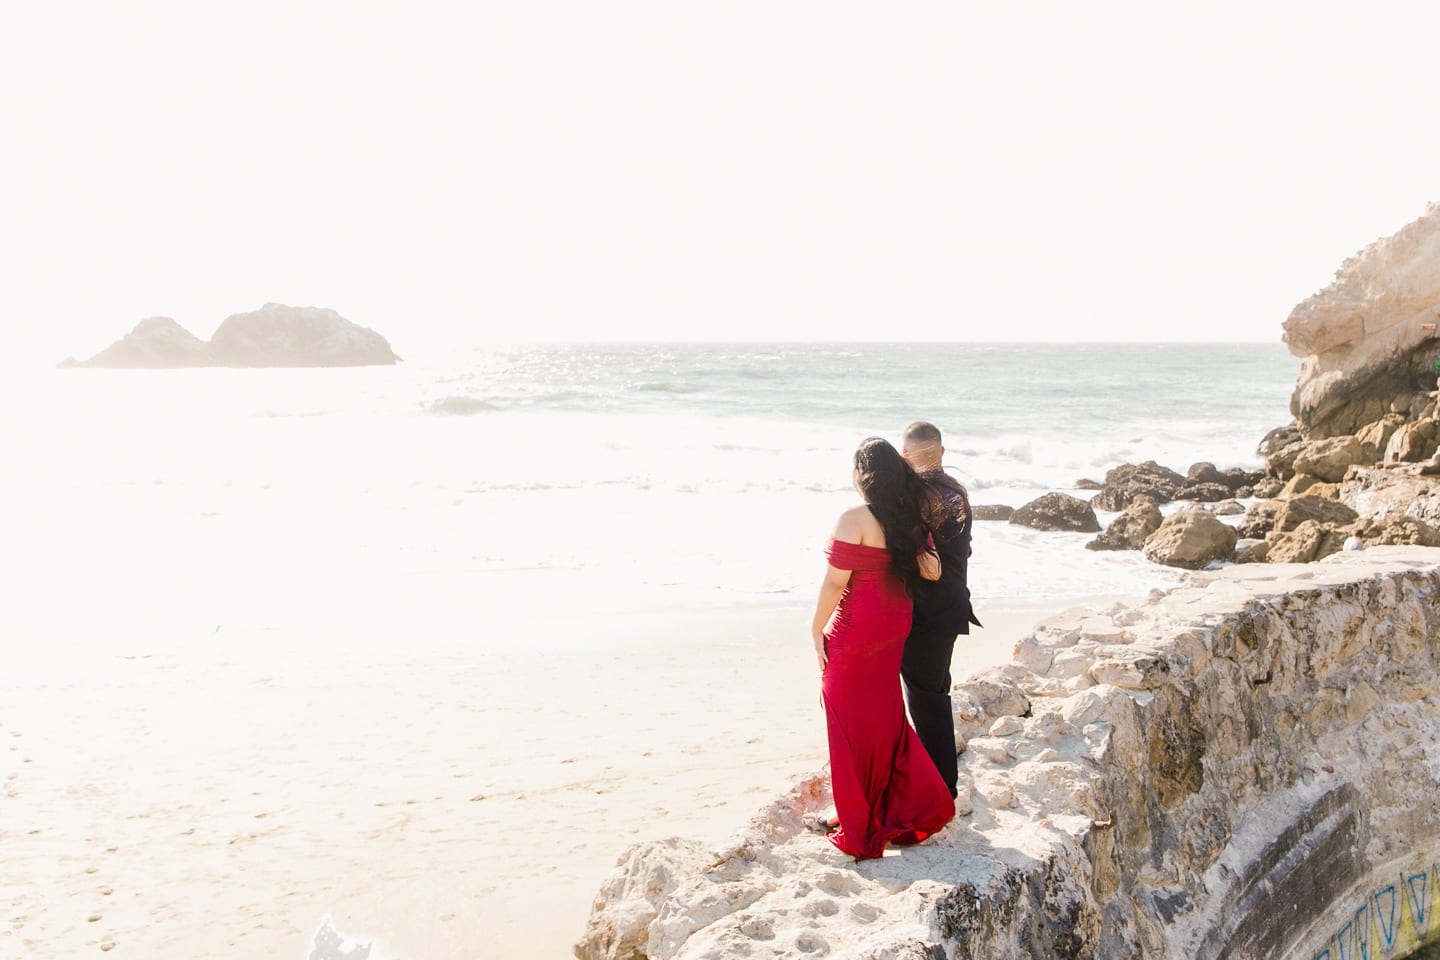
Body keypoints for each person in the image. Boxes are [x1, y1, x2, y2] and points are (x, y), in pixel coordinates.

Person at [809, 437, 955, 859]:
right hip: (895, 625)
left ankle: (858, 819)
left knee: (845, 716)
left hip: (858, 629)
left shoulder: (853, 517)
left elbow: (836, 583)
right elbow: (933, 570)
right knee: (884, 713)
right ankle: (881, 806)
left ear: (863, 476)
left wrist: (814, 628)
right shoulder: (908, 516)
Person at [899, 421, 982, 800]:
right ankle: (938, 779)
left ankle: (943, 787)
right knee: (935, 691)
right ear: (942, 453)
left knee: (926, 697)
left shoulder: (915, 496)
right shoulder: (957, 492)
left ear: (905, 457)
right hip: (952, 605)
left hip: (927, 613)